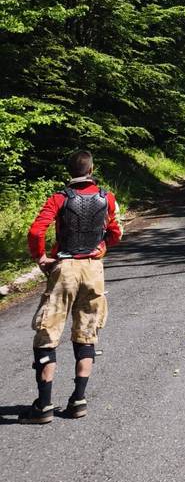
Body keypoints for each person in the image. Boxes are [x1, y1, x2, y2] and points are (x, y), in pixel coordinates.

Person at [19, 149, 122, 424]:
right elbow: (116, 232)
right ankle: (78, 399)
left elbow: (35, 231)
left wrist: (41, 257)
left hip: (64, 268)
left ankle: (44, 405)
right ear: (92, 168)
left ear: (69, 171)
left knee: (47, 332)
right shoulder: (107, 198)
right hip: (93, 269)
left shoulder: (59, 199)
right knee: (87, 330)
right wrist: (101, 247)